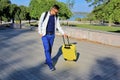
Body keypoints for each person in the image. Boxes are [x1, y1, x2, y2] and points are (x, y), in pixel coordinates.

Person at [38, 5, 67, 71]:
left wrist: (63, 33)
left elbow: (58, 26)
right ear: (52, 9)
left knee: (50, 49)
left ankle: (47, 60)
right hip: (45, 35)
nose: (55, 13)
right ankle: (50, 64)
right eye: (55, 12)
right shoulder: (44, 14)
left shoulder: (56, 17)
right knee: (47, 48)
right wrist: (40, 32)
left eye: (57, 12)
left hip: (52, 35)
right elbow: (40, 23)